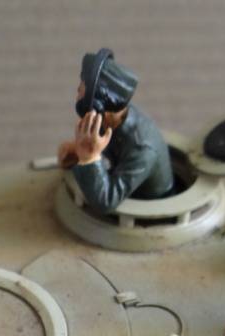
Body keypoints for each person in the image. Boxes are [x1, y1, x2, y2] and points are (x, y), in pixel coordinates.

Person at [57, 49, 174, 213]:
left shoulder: (142, 149)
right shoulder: (114, 119)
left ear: (98, 105)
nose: (77, 98)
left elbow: (106, 201)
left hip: (151, 210)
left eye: (81, 93)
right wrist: (79, 151)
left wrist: (89, 159)